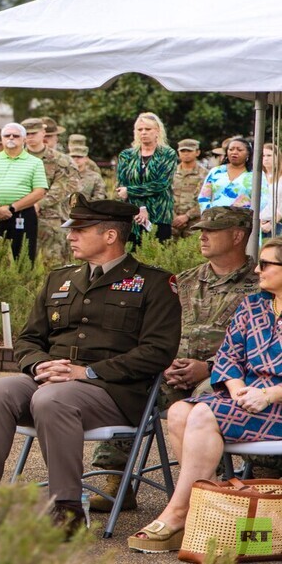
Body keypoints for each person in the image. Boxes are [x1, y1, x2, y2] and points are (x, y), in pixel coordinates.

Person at [0, 196, 181, 535]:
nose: (71, 236)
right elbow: (28, 339)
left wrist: (87, 373)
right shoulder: (60, 279)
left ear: (110, 236)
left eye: (80, 230)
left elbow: (158, 351)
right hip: (53, 382)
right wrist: (40, 366)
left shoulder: (154, 284)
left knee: (52, 399)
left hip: (113, 392)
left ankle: (67, 510)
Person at [128, 236, 282, 553]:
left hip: (276, 404)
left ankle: (180, 512)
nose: (256, 269)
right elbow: (228, 358)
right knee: (180, 411)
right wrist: (238, 389)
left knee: (200, 412)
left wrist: (268, 395)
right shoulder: (253, 306)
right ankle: (205, 509)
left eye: (266, 264)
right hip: (248, 401)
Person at [0, 122, 49, 261]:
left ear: (24, 139)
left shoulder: (35, 162)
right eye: (7, 135)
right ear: (2, 139)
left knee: (23, 257)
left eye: (15, 136)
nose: (11, 138)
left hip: (22, 213)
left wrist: (12, 208)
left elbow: (39, 191)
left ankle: (24, 283)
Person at [115, 112, 178, 243]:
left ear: (157, 131)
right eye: (140, 129)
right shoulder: (126, 155)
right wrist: (141, 208)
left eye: (148, 129)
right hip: (132, 215)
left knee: (158, 257)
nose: (143, 132)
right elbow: (122, 188)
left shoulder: (168, 154)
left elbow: (161, 184)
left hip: (159, 214)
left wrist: (131, 190)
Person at [23, 118, 80, 264]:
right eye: (27, 133)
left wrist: (38, 203)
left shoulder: (61, 160)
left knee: (53, 262)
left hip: (51, 219)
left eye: (33, 133)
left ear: (43, 133)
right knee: (21, 261)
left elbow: (63, 187)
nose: (30, 137)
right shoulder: (16, 159)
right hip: (20, 216)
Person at [198, 136, 253, 211]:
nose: (234, 152)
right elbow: (203, 198)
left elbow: (263, 199)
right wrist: (209, 214)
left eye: (239, 150)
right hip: (215, 217)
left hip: (244, 218)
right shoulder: (216, 171)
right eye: (231, 149)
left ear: (248, 153)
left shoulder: (255, 174)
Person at [171, 138, 207, 237]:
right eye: (182, 151)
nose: (186, 154)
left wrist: (187, 216)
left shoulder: (205, 174)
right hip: (172, 223)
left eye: (189, 151)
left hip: (194, 224)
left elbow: (206, 200)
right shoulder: (170, 173)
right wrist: (173, 216)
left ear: (197, 152)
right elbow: (165, 196)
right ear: (178, 153)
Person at [67, 135, 107, 201]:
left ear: (86, 159)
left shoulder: (94, 176)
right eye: (73, 156)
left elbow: (99, 197)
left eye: (79, 157)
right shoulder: (63, 174)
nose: (76, 159)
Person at [258, 143, 282, 237]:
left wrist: (272, 223)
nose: (266, 158)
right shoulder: (258, 177)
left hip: (276, 224)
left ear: (277, 157)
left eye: (269, 155)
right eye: (263, 155)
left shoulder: (280, 178)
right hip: (257, 223)